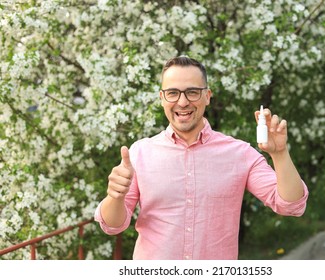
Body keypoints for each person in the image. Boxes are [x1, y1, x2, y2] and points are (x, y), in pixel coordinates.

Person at [94, 56, 309, 260]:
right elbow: (113, 226)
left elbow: (290, 205)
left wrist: (279, 154)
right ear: (162, 98)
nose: (183, 102)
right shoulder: (139, 154)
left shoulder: (239, 153)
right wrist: (115, 196)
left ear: (207, 96)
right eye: (172, 93)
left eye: (192, 92)